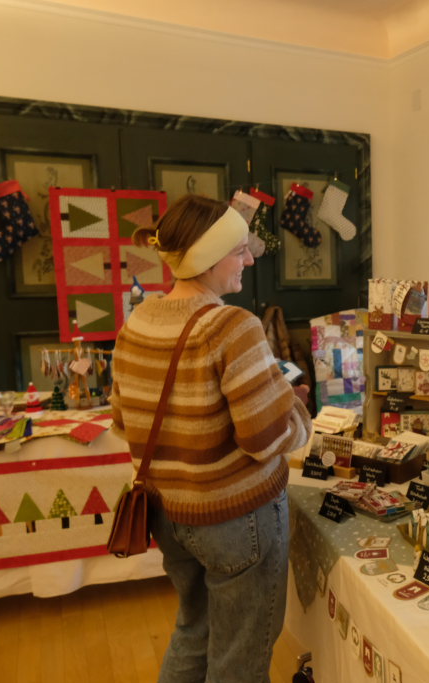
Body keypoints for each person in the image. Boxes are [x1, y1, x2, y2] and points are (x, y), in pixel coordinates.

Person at [110, 195, 312, 683]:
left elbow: (122, 422)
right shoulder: (232, 326)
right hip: (236, 517)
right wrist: (293, 406)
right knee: (240, 657)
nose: (248, 261)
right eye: (239, 251)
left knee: (192, 632)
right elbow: (266, 440)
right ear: (208, 258)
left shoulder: (137, 322)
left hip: (169, 514)